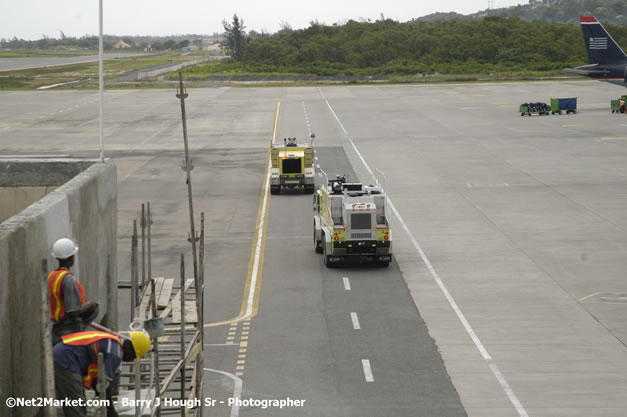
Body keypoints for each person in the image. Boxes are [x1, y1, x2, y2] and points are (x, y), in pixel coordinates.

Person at [53, 330, 152, 417]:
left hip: (62, 354)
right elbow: (103, 385)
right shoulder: (115, 353)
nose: (131, 360)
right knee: (77, 407)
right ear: (131, 350)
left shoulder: (114, 342)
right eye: (134, 356)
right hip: (66, 359)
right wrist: (111, 412)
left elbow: (97, 382)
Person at [48, 238, 99, 345]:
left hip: (54, 327)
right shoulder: (67, 279)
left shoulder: (52, 276)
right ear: (71, 257)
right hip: (67, 327)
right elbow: (72, 311)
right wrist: (89, 305)